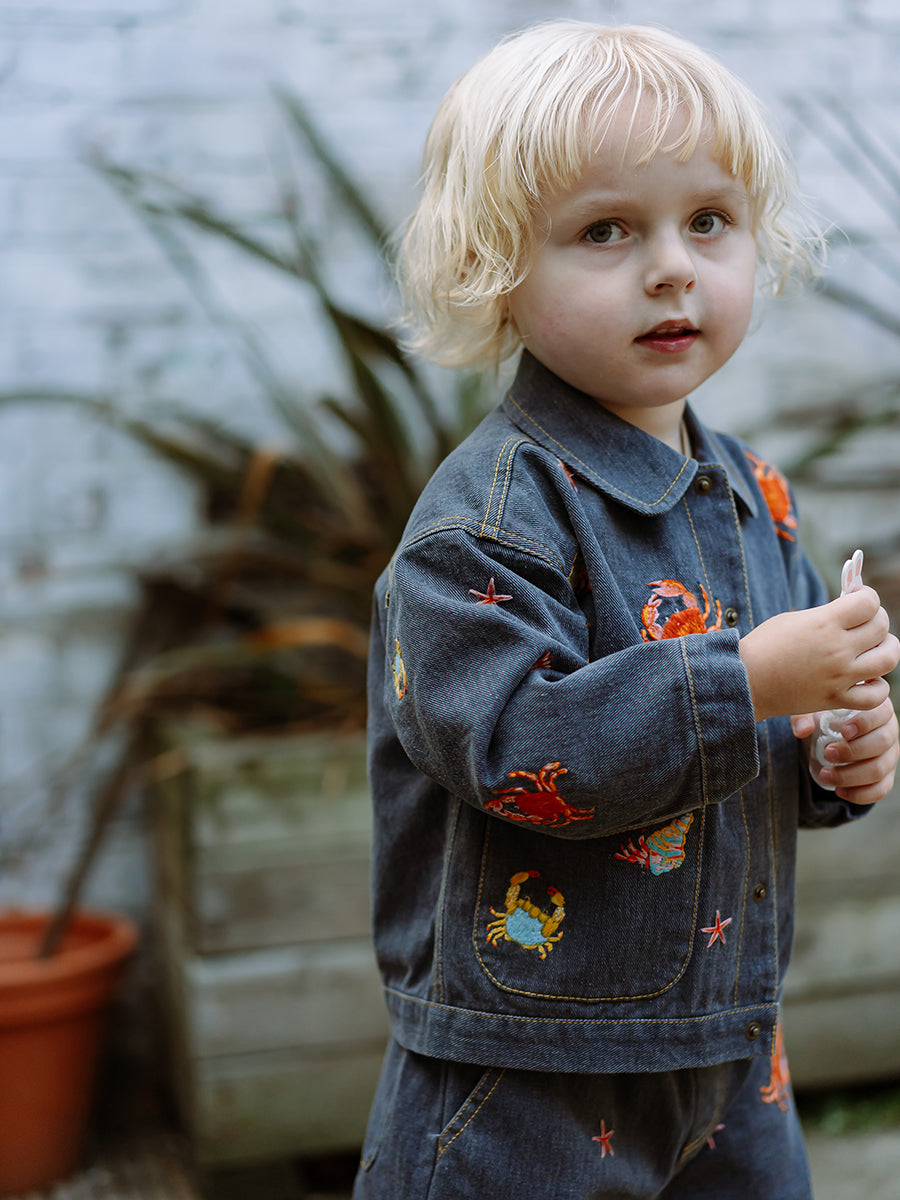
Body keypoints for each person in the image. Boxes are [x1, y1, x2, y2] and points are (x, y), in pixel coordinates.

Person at [352, 21, 900, 1200]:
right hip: (527, 1080)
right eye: (606, 230)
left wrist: (833, 751)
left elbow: (776, 731)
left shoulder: (754, 494)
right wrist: (750, 680)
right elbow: (517, 750)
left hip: (729, 1056)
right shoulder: (486, 525)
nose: (671, 268)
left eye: (708, 220)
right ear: (497, 269)